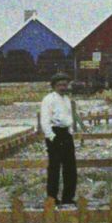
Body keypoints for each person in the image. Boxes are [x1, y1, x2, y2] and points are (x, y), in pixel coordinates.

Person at [39, 74, 78, 205]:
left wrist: (70, 131)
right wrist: (51, 137)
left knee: (70, 167)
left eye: (65, 85)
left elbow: (69, 117)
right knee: (54, 168)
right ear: (54, 86)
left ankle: (68, 198)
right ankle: (52, 198)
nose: (62, 87)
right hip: (54, 134)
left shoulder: (67, 99)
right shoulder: (48, 99)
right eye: (60, 85)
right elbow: (45, 120)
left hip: (66, 134)